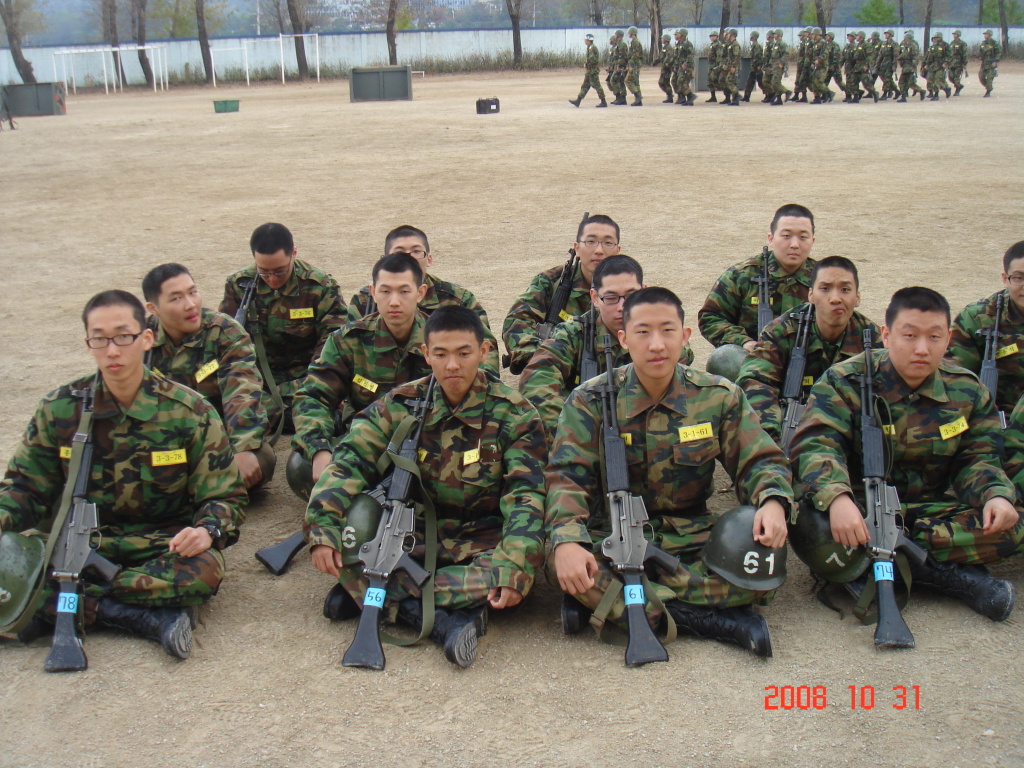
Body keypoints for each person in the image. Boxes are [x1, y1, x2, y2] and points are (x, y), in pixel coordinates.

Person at [546, 288, 794, 658]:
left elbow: (759, 459)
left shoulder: (718, 396)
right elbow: (567, 477)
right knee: (560, 562)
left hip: (692, 536)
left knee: (761, 569)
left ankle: (621, 603)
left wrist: (772, 502)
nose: (657, 344)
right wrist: (568, 539)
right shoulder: (590, 400)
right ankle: (702, 617)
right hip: (611, 536)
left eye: (667, 330)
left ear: (685, 336)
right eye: (643, 332)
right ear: (623, 339)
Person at [0, 290, 246, 658]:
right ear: (88, 343)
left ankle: (61, 605)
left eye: (123, 337)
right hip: (73, 546)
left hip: (162, 543)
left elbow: (224, 495)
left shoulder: (189, 411)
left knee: (203, 572)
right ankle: (132, 614)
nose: (112, 350)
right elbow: (25, 488)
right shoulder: (60, 409)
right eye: (99, 339)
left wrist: (206, 530)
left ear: (146, 338)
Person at [305, 306, 547, 668]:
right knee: (346, 544)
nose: (453, 365)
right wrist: (321, 525)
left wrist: (515, 562)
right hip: (410, 535)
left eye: (464, 353)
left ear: (483, 352)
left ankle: (377, 595)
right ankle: (443, 619)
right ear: (426, 353)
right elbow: (349, 460)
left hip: (483, 539)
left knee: (513, 573)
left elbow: (526, 497)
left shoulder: (515, 414)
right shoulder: (401, 404)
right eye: (441, 354)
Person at [790, 287, 1022, 625]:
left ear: (949, 339)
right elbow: (816, 445)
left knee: (1014, 524)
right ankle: (946, 574)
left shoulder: (967, 389)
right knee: (808, 521)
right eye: (910, 335)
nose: (922, 349)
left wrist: (994, 495)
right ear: (886, 335)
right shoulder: (846, 380)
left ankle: (886, 564)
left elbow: (978, 458)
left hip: (929, 510)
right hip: (860, 511)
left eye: (934, 337)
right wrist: (836, 497)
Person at [290, 253, 439, 498]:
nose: (394, 302)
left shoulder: (440, 341)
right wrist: (319, 450)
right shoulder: (348, 341)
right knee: (300, 465)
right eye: (385, 291)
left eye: (404, 291)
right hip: (365, 442)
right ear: (372, 292)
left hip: (426, 446)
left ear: (420, 293)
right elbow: (313, 397)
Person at [519, 256, 695, 439]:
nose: (622, 307)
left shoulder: (664, 340)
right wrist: (570, 431)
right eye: (611, 298)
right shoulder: (574, 334)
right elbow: (537, 380)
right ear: (595, 298)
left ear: (644, 292)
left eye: (630, 296)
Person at [143, 263, 275, 491]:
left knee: (260, 460)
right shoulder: (140, 339)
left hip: (218, 434)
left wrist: (243, 446)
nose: (190, 304)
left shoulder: (224, 332)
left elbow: (242, 390)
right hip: (164, 438)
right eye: (176, 298)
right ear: (153, 308)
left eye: (193, 292)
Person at [736, 256, 880, 448]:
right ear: (811, 295)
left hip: (847, 429)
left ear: (857, 297)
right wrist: (771, 440)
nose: (835, 298)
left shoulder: (871, 338)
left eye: (845, 290)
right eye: (825, 289)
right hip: (788, 424)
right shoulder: (783, 330)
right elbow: (756, 381)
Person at [219, 222, 347, 431]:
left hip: (305, 374)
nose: (272, 279)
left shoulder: (320, 286)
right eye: (263, 272)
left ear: (294, 253)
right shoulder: (238, 285)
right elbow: (226, 340)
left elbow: (333, 343)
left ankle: (276, 414)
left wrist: (319, 381)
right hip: (258, 377)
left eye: (280, 271)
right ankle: (296, 414)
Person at [343, 225, 499, 370]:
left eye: (416, 251)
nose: (409, 258)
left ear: (429, 259)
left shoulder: (457, 299)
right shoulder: (365, 301)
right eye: (399, 252)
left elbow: (485, 349)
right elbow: (346, 345)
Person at [503, 214, 621, 374]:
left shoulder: (628, 288)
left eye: (608, 243)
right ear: (577, 248)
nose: (599, 250)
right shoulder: (552, 282)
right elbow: (517, 320)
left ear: (618, 251)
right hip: (556, 368)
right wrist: (539, 359)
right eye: (591, 242)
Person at [698, 203, 817, 351]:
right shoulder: (742, 275)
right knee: (725, 356)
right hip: (751, 358)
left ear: (812, 241)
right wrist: (743, 342)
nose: (794, 244)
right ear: (771, 239)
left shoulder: (824, 280)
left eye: (803, 237)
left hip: (809, 358)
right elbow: (711, 317)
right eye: (786, 236)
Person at [947, 241, 1024, 419]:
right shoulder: (978, 319)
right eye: (1019, 278)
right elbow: (954, 379)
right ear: (1005, 279)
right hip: (994, 419)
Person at [570, 33, 608, 107]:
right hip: (590, 71)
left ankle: (603, 102)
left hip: (592, 71)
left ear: (589, 40)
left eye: (586, 40)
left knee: (597, 86)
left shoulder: (592, 48)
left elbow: (592, 59)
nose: (584, 41)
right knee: (585, 86)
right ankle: (578, 101)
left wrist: (587, 64)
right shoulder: (590, 47)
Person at [896, 30, 926, 102]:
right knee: (905, 82)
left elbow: (916, 57)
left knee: (906, 82)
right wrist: (899, 59)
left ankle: (920, 91)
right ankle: (905, 96)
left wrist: (913, 66)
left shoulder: (913, 47)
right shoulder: (905, 46)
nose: (905, 40)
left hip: (910, 66)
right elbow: (902, 54)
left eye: (906, 39)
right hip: (905, 66)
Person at [922, 32, 951, 100]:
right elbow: (929, 56)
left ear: (940, 38)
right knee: (930, 79)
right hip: (932, 65)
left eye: (936, 38)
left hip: (940, 65)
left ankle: (936, 94)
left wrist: (946, 63)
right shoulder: (932, 46)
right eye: (934, 38)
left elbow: (949, 55)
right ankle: (946, 89)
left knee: (937, 79)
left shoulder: (945, 45)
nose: (935, 39)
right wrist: (926, 64)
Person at [673, 28, 696, 105]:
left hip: (687, 66)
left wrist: (686, 63)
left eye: (679, 33)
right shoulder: (680, 44)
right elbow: (678, 56)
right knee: (681, 81)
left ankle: (691, 97)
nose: (677, 34)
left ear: (683, 35)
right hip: (681, 66)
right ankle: (688, 99)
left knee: (683, 81)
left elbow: (690, 55)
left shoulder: (687, 44)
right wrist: (676, 66)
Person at [719, 28, 742, 106]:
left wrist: (733, 66)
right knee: (729, 81)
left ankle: (737, 97)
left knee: (729, 81)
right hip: (731, 66)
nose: (727, 35)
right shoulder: (731, 44)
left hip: (734, 67)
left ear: (732, 35)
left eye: (728, 34)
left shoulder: (735, 44)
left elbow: (736, 57)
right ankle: (734, 98)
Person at [741, 31, 764, 102]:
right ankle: (746, 97)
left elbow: (757, 57)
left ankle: (770, 94)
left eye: (751, 36)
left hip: (756, 67)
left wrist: (756, 66)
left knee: (761, 83)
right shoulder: (753, 45)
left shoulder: (756, 46)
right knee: (750, 82)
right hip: (754, 67)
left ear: (753, 37)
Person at [876, 29, 899, 100]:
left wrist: (894, 65)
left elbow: (896, 55)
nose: (886, 35)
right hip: (883, 63)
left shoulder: (894, 44)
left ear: (891, 35)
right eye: (885, 34)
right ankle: (897, 91)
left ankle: (885, 93)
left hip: (890, 63)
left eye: (887, 34)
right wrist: (877, 64)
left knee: (887, 79)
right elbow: (880, 55)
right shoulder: (883, 43)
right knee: (886, 79)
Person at [610, 29, 629, 105]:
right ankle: (620, 98)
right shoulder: (618, 44)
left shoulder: (622, 44)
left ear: (618, 36)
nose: (614, 36)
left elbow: (622, 56)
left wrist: (620, 66)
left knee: (614, 80)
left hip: (620, 66)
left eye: (615, 35)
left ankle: (620, 97)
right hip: (617, 65)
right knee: (620, 81)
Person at [626, 26, 644, 106]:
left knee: (628, 80)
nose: (628, 34)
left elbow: (635, 54)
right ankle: (638, 100)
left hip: (635, 64)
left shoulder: (635, 42)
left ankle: (638, 96)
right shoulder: (634, 41)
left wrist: (631, 65)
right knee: (635, 82)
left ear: (632, 33)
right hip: (636, 64)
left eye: (629, 33)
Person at [979, 29, 1000, 97]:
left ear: (990, 35)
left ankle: (988, 91)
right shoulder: (983, 43)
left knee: (989, 77)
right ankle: (989, 87)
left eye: (986, 34)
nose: (985, 35)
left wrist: (995, 61)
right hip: (984, 63)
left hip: (991, 62)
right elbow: (980, 51)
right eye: (984, 34)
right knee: (981, 76)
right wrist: (980, 56)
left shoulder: (994, 43)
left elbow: (998, 52)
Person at [657, 33, 676, 103]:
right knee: (665, 82)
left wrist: (665, 67)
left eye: (662, 38)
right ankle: (669, 96)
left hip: (667, 68)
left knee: (663, 82)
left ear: (666, 40)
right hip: (664, 67)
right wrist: (656, 61)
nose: (661, 40)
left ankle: (670, 95)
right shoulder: (664, 48)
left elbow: (669, 58)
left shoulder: (669, 48)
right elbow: (661, 57)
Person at [947, 29, 967, 96]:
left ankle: (957, 89)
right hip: (951, 62)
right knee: (950, 77)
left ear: (958, 35)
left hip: (958, 62)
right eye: (953, 34)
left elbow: (964, 53)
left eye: (955, 34)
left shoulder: (962, 43)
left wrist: (964, 63)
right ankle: (959, 85)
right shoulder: (952, 43)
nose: (954, 35)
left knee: (956, 77)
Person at [706, 30, 723, 103]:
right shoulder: (712, 44)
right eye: (711, 36)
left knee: (716, 80)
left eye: (714, 36)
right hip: (711, 65)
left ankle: (728, 95)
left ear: (717, 37)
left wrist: (718, 65)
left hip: (715, 65)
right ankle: (713, 97)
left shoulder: (718, 45)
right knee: (709, 81)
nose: (712, 38)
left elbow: (719, 56)